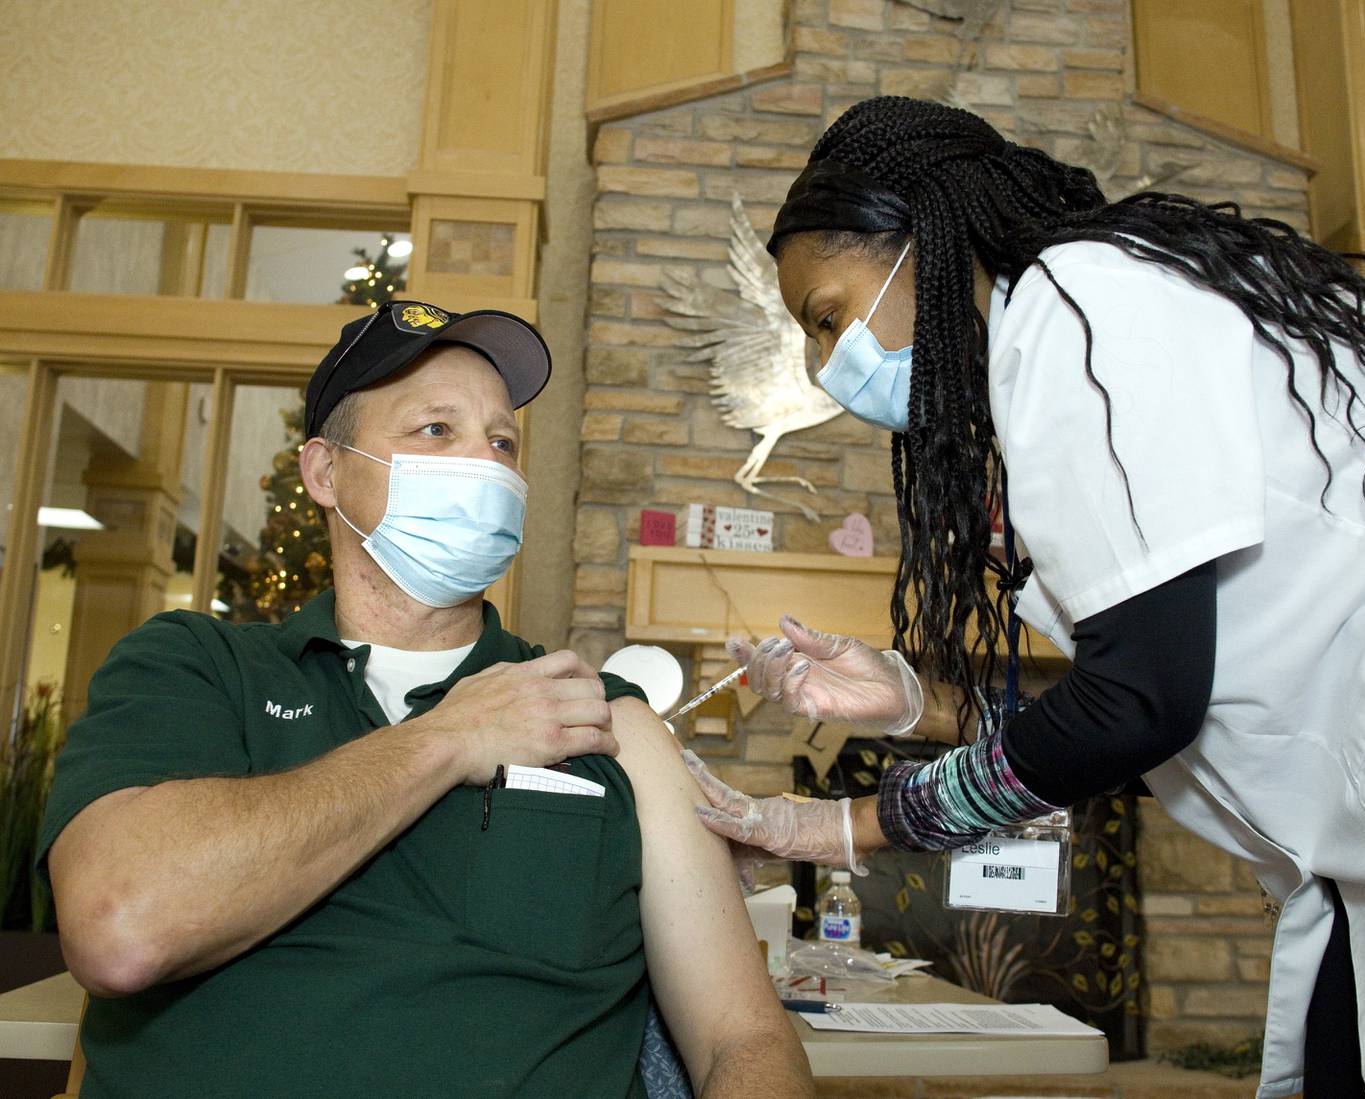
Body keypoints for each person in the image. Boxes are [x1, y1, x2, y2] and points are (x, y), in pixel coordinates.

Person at [683, 96, 1365, 1099]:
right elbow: (1145, 717)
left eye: (829, 316)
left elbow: (1136, 706)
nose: (829, 368)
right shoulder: (1096, 315)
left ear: (924, 240)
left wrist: (840, 826)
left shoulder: (1080, 310)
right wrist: (919, 705)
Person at [39, 301, 813, 1099]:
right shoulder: (197, 668)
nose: (486, 459)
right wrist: (448, 738)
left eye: (503, 440)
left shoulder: (602, 717)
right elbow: (119, 927)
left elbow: (744, 1039)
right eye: (436, 430)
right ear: (325, 472)